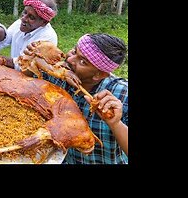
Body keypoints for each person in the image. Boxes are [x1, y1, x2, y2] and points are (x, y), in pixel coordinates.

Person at [26, 33, 128, 164]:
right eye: (74, 51)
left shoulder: (122, 94)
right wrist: (31, 60)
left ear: (99, 74)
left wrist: (115, 124)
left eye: (82, 62)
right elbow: (24, 85)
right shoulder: (55, 74)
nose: (70, 60)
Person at [0, 0, 58, 71]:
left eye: (31, 17)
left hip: (32, 80)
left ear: (44, 22)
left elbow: (25, 65)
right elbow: (3, 40)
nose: (24, 18)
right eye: (25, 12)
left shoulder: (48, 37)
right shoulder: (19, 23)